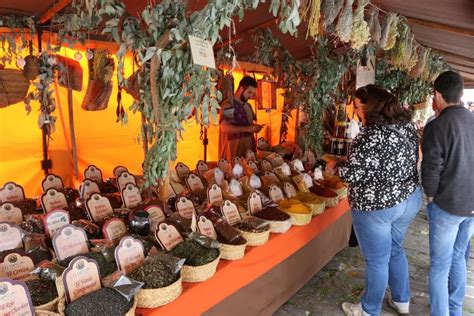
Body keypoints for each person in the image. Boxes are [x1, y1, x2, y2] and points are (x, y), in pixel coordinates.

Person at [329, 85, 422, 316]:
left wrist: (334, 166)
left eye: (359, 106)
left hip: (378, 206)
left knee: (377, 261)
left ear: (371, 107)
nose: (356, 111)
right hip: (408, 198)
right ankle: (402, 300)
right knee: (396, 250)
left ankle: (368, 310)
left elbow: (353, 173)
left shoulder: (371, 134)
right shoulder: (407, 126)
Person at [421, 71, 474, 316]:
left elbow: (431, 169)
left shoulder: (438, 125)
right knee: (459, 255)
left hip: (448, 205)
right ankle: (455, 310)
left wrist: (431, 197)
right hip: (471, 205)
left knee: (440, 266)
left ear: (438, 95)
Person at [219, 76, 263, 161]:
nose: (251, 96)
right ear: (241, 88)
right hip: (233, 150)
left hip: (249, 150)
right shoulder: (228, 105)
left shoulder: (248, 106)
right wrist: (248, 128)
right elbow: (224, 128)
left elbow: (249, 125)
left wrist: (255, 128)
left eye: (253, 93)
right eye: (249, 92)